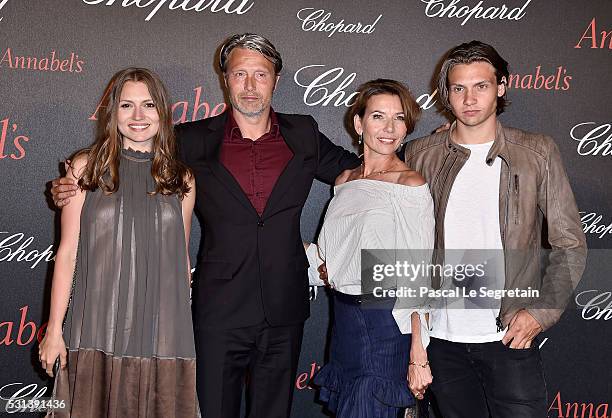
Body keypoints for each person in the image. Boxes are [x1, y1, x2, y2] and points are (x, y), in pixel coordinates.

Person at [51, 34, 361, 418]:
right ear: (225, 79)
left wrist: (408, 162)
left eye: (260, 74)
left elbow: (358, 174)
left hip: (284, 306)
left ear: (276, 80)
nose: (250, 86)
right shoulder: (191, 140)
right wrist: (72, 183)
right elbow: (130, 160)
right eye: (240, 74)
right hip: (218, 308)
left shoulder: (304, 133)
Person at [403, 41, 587, 417]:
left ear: (501, 87)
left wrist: (541, 312)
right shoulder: (421, 154)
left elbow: (570, 244)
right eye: (458, 88)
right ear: (446, 94)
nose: (469, 98)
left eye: (481, 86)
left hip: (509, 337)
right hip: (443, 339)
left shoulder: (537, 152)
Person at [39, 68, 198, 417]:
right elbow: (67, 254)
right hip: (97, 324)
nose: (138, 116)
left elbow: (180, 261)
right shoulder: (86, 169)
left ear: (163, 113)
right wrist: (54, 329)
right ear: (113, 113)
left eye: (149, 105)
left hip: (161, 330)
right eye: (127, 105)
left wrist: (176, 330)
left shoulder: (181, 179)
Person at [305, 79, 434, 418]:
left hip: (385, 323)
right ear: (359, 124)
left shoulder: (410, 184)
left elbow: (416, 275)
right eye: (378, 116)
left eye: (399, 118)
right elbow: (328, 254)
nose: (390, 128)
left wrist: (418, 356)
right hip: (345, 320)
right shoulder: (345, 180)